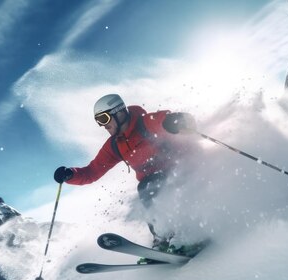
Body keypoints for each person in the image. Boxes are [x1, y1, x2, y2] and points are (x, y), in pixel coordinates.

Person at [53, 94, 197, 252]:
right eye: (98, 121)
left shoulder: (146, 123)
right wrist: (71, 175)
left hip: (184, 169)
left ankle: (186, 233)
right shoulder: (115, 145)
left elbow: (164, 120)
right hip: (153, 182)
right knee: (146, 188)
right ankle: (162, 238)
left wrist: (175, 120)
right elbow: (93, 171)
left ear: (119, 113)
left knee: (151, 186)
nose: (103, 125)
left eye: (104, 118)